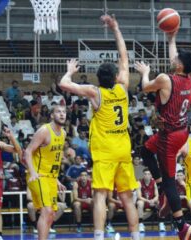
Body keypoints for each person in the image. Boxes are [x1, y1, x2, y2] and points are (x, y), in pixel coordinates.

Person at [58, 15, 139, 240]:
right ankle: (135, 236)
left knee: (100, 195)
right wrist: (116, 28)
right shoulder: (122, 88)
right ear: (114, 76)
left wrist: (70, 71)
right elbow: (124, 58)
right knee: (127, 197)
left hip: (105, 151)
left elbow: (64, 84)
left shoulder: (96, 93)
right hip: (123, 148)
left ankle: (98, 235)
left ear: (98, 77)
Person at [134, 29, 191, 239]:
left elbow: (145, 88)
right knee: (145, 150)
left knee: (170, 179)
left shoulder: (163, 79)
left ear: (179, 65)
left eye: (177, 58)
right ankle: (161, 187)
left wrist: (145, 71)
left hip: (169, 137)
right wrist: (171, 38)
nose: (174, 58)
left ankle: (181, 225)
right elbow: (174, 58)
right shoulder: (187, 79)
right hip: (180, 131)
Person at [24, 104, 67, 240]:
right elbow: (28, 151)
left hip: (50, 177)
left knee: (51, 214)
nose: (62, 114)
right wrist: (32, 172)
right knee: (46, 210)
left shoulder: (64, 133)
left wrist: (56, 179)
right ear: (52, 115)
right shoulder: (44, 130)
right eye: (58, 112)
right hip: (37, 175)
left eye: (64, 112)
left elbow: (55, 158)